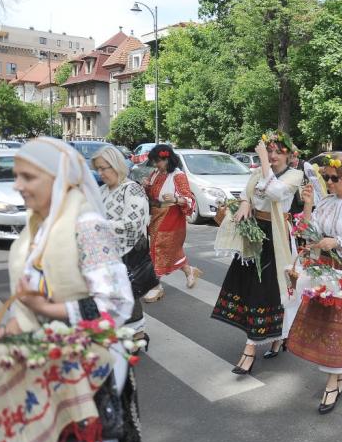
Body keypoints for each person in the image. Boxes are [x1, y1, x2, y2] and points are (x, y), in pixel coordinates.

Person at [0, 137, 158, 442]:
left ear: (58, 178)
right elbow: (29, 295)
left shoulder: (86, 225)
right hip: (43, 362)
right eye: (16, 176)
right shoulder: (37, 227)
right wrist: (9, 331)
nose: (17, 185)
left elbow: (116, 302)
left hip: (83, 372)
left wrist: (46, 309)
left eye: (28, 177)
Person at [284, 153, 342, 414]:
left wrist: (337, 242)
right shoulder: (325, 202)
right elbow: (308, 231)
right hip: (324, 265)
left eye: (334, 178)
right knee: (326, 322)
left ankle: (332, 383)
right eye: (327, 178)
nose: (330, 183)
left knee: (340, 323)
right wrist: (308, 205)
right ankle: (341, 375)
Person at [211, 131, 303, 374]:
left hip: (276, 236)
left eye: (277, 152)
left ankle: (250, 348)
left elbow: (276, 193)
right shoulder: (258, 173)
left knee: (268, 290)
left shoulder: (295, 175)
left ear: (289, 156)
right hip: (254, 233)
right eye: (269, 151)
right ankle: (277, 337)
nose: (272, 156)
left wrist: (263, 160)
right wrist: (244, 203)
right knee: (248, 288)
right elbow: (247, 193)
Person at [92, 146, 151, 339]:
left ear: (116, 165)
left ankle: (137, 335)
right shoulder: (102, 190)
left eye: (104, 168)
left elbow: (133, 223)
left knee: (128, 295)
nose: (100, 173)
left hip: (130, 251)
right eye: (98, 169)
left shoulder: (132, 189)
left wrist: (101, 225)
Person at [141, 144, 201, 302]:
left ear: (167, 159)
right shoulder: (155, 173)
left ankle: (156, 286)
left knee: (159, 247)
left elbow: (189, 199)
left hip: (171, 215)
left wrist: (175, 199)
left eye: (157, 161)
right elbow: (151, 195)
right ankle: (189, 271)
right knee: (168, 249)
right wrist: (146, 186)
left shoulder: (178, 175)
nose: (155, 165)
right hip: (155, 214)